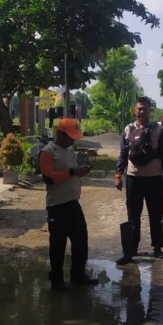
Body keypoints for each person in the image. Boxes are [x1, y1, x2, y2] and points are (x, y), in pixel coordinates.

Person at [39, 117, 99, 289]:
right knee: (58, 245)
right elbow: (49, 178)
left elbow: (70, 174)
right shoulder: (47, 152)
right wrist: (73, 171)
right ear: (60, 134)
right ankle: (57, 280)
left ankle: (78, 274)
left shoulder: (68, 150)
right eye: (70, 136)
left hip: (73, 203)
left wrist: (79, 172)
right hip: (57, 206)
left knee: (81, 241)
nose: (73, 140)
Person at [114, 97, 163, 264]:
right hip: (133, 178)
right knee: (133, 214)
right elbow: (123, 154)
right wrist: (118, 175)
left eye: (145, 109)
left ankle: (157, 248)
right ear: (135, 110)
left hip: (154, 179)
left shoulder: (158, 130)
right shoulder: (128, 130)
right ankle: (131, 250)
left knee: (156, 214)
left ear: (150, 111)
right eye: (139, 109)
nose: (142, 111)